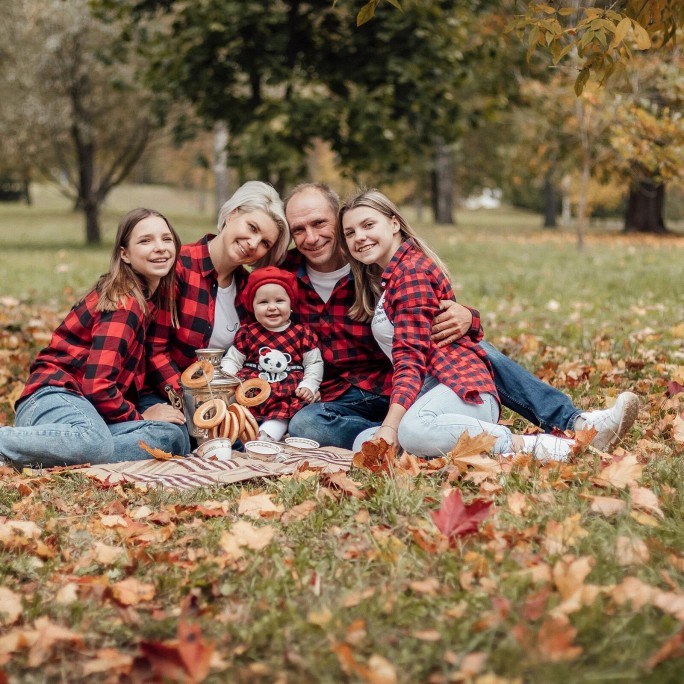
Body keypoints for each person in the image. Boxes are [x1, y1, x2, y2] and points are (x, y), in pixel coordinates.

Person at [283, 182, 638, 452]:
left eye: (320, 223)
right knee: (307, 425)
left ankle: (575, 422)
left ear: (337, 219)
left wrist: (469, 317)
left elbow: (425, 321)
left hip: (408, 380)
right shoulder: (285, 278)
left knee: (473, 345)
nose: (311, 237)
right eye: (299, 229)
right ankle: (400, 438)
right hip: (346, 396)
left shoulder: (377, 265)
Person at [340, 189, 575, 460]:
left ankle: (528, 445)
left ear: (394, 224)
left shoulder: (411, 272)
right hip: (431, 396)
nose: (359, 237)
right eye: (350, 232)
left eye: (368, 225)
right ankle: (476, 447)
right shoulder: (389, 276)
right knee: (365, 443)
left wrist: (391, 426)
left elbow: (410, 359)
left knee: (412, 432)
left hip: (462, 390)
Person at [0, 209, 190, 468]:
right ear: (125, 254)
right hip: (54, 397)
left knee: (172, 437)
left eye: (166, 239)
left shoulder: (152, 301)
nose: (159, 248)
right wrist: (141, 416)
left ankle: (48, 453)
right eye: (145, 241)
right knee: (95, 443)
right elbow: (98, 386)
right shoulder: (125, 302)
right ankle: (14, 444)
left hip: (90, 414)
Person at [144, 181, 292, 413]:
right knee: (174, 437)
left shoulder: (249, 289)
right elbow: (154, 350)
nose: (253, 244)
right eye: (252, 227)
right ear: (232, 215)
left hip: (220, 401)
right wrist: (191, 404)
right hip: (166, 393)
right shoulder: (179, 266)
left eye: (265, 243)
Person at [220, 266, 323, 442]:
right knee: (238, 411)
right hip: (252, 389)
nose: (272, 307)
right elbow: (233, 360)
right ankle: (240, 435)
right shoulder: (247, 333)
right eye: (263, 302)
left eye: (279, 301)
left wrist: (309, 385)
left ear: (291, 305)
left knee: (283, 413)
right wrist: (224, 380)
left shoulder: (302, 334)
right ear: (252, 307)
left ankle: (267, 436)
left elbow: (314, 364)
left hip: (286, 391)